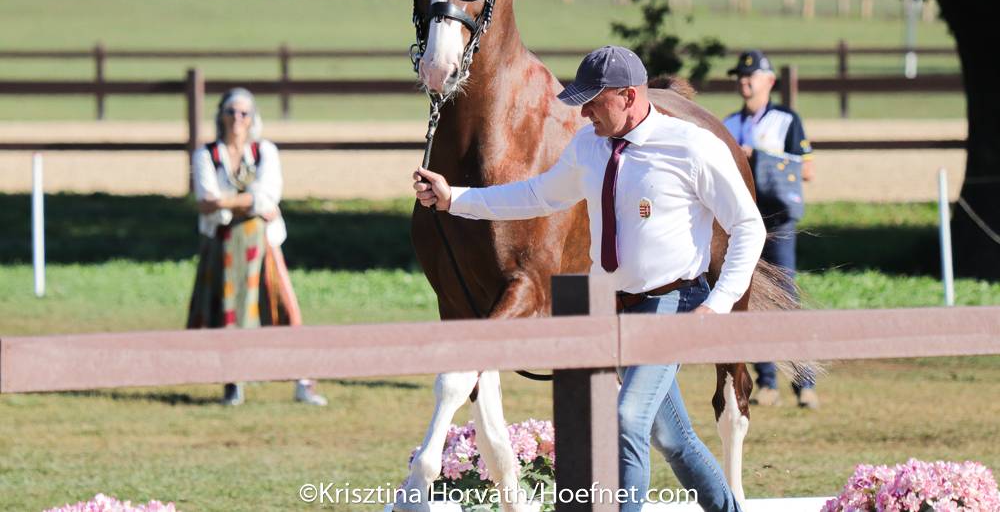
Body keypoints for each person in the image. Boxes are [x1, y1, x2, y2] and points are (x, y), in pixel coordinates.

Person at [413, 46, 764, 512]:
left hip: (671, 303)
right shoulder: (589, 146)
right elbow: (537, 195)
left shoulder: (692, 147)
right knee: (671, 440)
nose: (584, 113)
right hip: (615, 309)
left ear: (629, 96)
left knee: (628, 419)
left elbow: (749, 227)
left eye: (594, 102)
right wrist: (455, 199)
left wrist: (717, 304)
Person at [187, 88, 327, 407]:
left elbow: (267, 197)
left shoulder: (264, 151)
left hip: (263, 245)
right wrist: (246, 204)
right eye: (231, 112)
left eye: (244, 113)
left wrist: (227, 202)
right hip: (222, 247)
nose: (237, 119)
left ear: (252, 118)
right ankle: (233, 382)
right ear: (221, 116)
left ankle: (302, 382)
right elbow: (208, 203)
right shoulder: (207, 154)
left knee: (282, 308)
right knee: (226, 313)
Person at [722, 49, 818, 409]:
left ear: (770, 81)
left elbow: (806, 169)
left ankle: (804, 380)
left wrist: (759, 158)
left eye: (751, 75)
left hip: (778, 220)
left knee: (786, 297)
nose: (744, 81)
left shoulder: (786, 121)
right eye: (740, 76)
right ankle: (766, 381)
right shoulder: (728, 123)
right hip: (743, 222)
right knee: (750, 299)